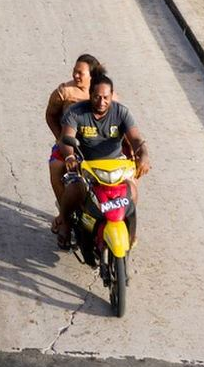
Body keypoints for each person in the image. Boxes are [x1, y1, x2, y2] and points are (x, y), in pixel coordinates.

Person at [54, 73, 148, 249]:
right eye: (97, 97)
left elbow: (135, 139)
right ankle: (65, 223)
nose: (101, 101)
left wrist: (144, 155)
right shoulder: (76, 112)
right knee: (75, 188)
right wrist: (70, 156)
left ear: (112, 96)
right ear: (90, 94)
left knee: (132, 191)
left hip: (116, 166)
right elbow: (66, 138)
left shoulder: (121, 112)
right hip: (86, 165)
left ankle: (129, 231)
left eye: (106, 97)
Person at [45, 54, 105, 239]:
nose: (76, 75)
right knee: (56, 166)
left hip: (96, 146)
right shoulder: (65, 91)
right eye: (75, 71)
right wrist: (60, 138)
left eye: (81, 72)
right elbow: (50, 115)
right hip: (70, 145)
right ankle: (65, 218)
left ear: (92, 75)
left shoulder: (102, 93)